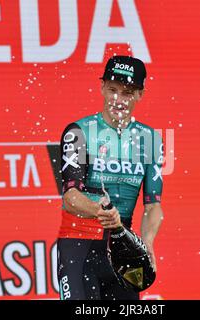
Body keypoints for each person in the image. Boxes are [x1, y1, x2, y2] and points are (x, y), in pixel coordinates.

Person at [57, 55, 164, 300]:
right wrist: (99, 211)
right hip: (78, 243)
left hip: (122, 247)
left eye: (127, 93)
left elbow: (153, 205)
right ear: (102, 87)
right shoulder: (78, 131)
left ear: (140, 95)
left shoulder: (149, 139)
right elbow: (71, 197)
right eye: (113, 89)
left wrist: (147, 242)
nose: (118, 99)